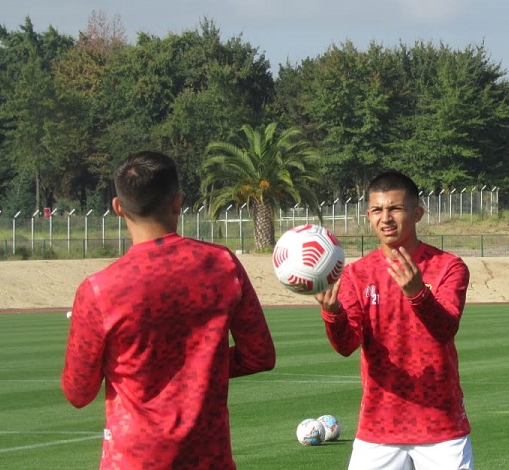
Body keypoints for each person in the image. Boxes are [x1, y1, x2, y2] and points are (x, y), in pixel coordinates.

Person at [61, 151, 276, 470]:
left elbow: (78, 392)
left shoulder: (100, 289)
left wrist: (140, 369)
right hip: (209, 458)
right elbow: (260, 355)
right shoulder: (222, 264)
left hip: (133, 459)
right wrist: (200, 368)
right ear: (178, 202)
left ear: (118, 208)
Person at [314, 171, 474, 470]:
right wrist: (332, 314)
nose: (385, 218)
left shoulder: (448, 266)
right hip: (379, 428)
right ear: (369, 216)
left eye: (395, 208)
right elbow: (346, 345)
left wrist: (417, 294)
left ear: (417, 213)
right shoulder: (356, 274)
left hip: (440, 425)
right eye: (377, 210)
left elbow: (446, 329)